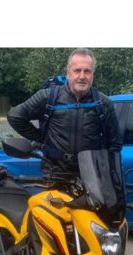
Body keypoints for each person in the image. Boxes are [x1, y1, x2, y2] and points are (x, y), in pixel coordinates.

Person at [7, 48, 122, 178]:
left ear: (92, 75)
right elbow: (15, 116)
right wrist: (42, 139)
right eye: (77, 70)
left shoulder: (103, 103)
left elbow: (115, 143)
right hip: (55, 172)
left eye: (87, 71)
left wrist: (107, 170)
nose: (82, 76)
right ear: (68, 73)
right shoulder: (48, 97)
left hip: (91, 176)